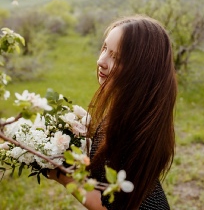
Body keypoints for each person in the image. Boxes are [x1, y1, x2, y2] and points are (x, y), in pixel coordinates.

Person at [49, 15, 177, 210]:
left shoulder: (132, 128)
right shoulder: (135, 109)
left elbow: (107, 207)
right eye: (105, 48)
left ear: (141, 70)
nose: (101, 61)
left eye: (116, 57)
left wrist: (63, 177)